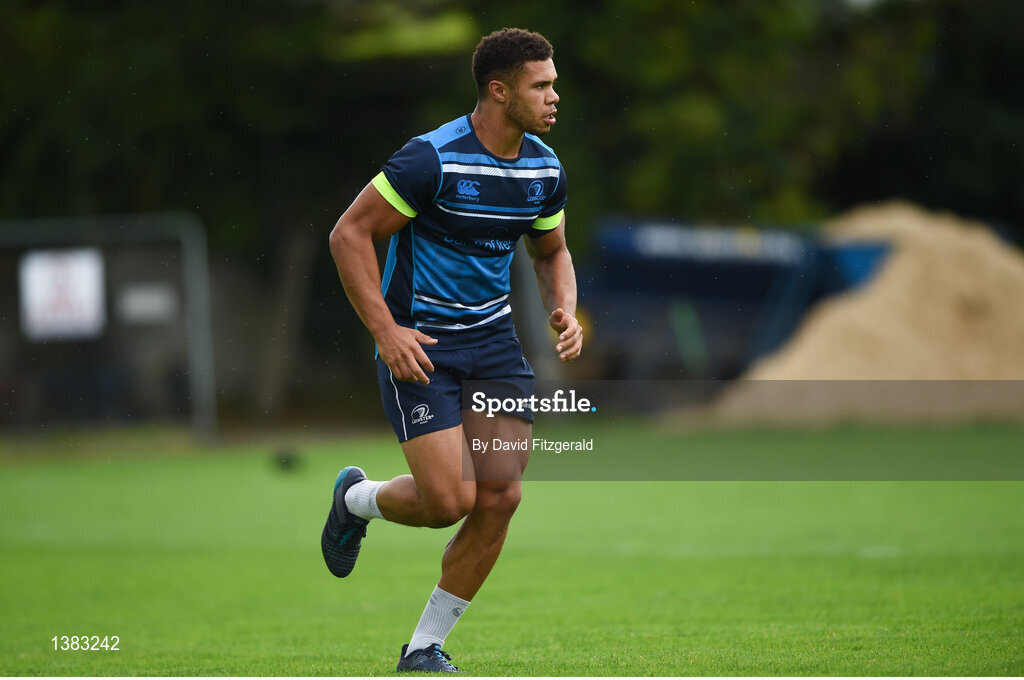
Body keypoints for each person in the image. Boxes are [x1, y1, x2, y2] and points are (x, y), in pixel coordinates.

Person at [322, 27, 582, 674]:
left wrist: (565, 308)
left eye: (554, 84)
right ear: (499, 91)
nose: (555, 97)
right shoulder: (429, 161)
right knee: (448, 502)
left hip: (494, 345)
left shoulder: (544, 169)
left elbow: (552, 251)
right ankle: (355, 499)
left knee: (500, 496)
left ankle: (423, 648)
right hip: (423, 345)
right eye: (541, 85)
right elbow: (348, 235)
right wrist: (386, 332)